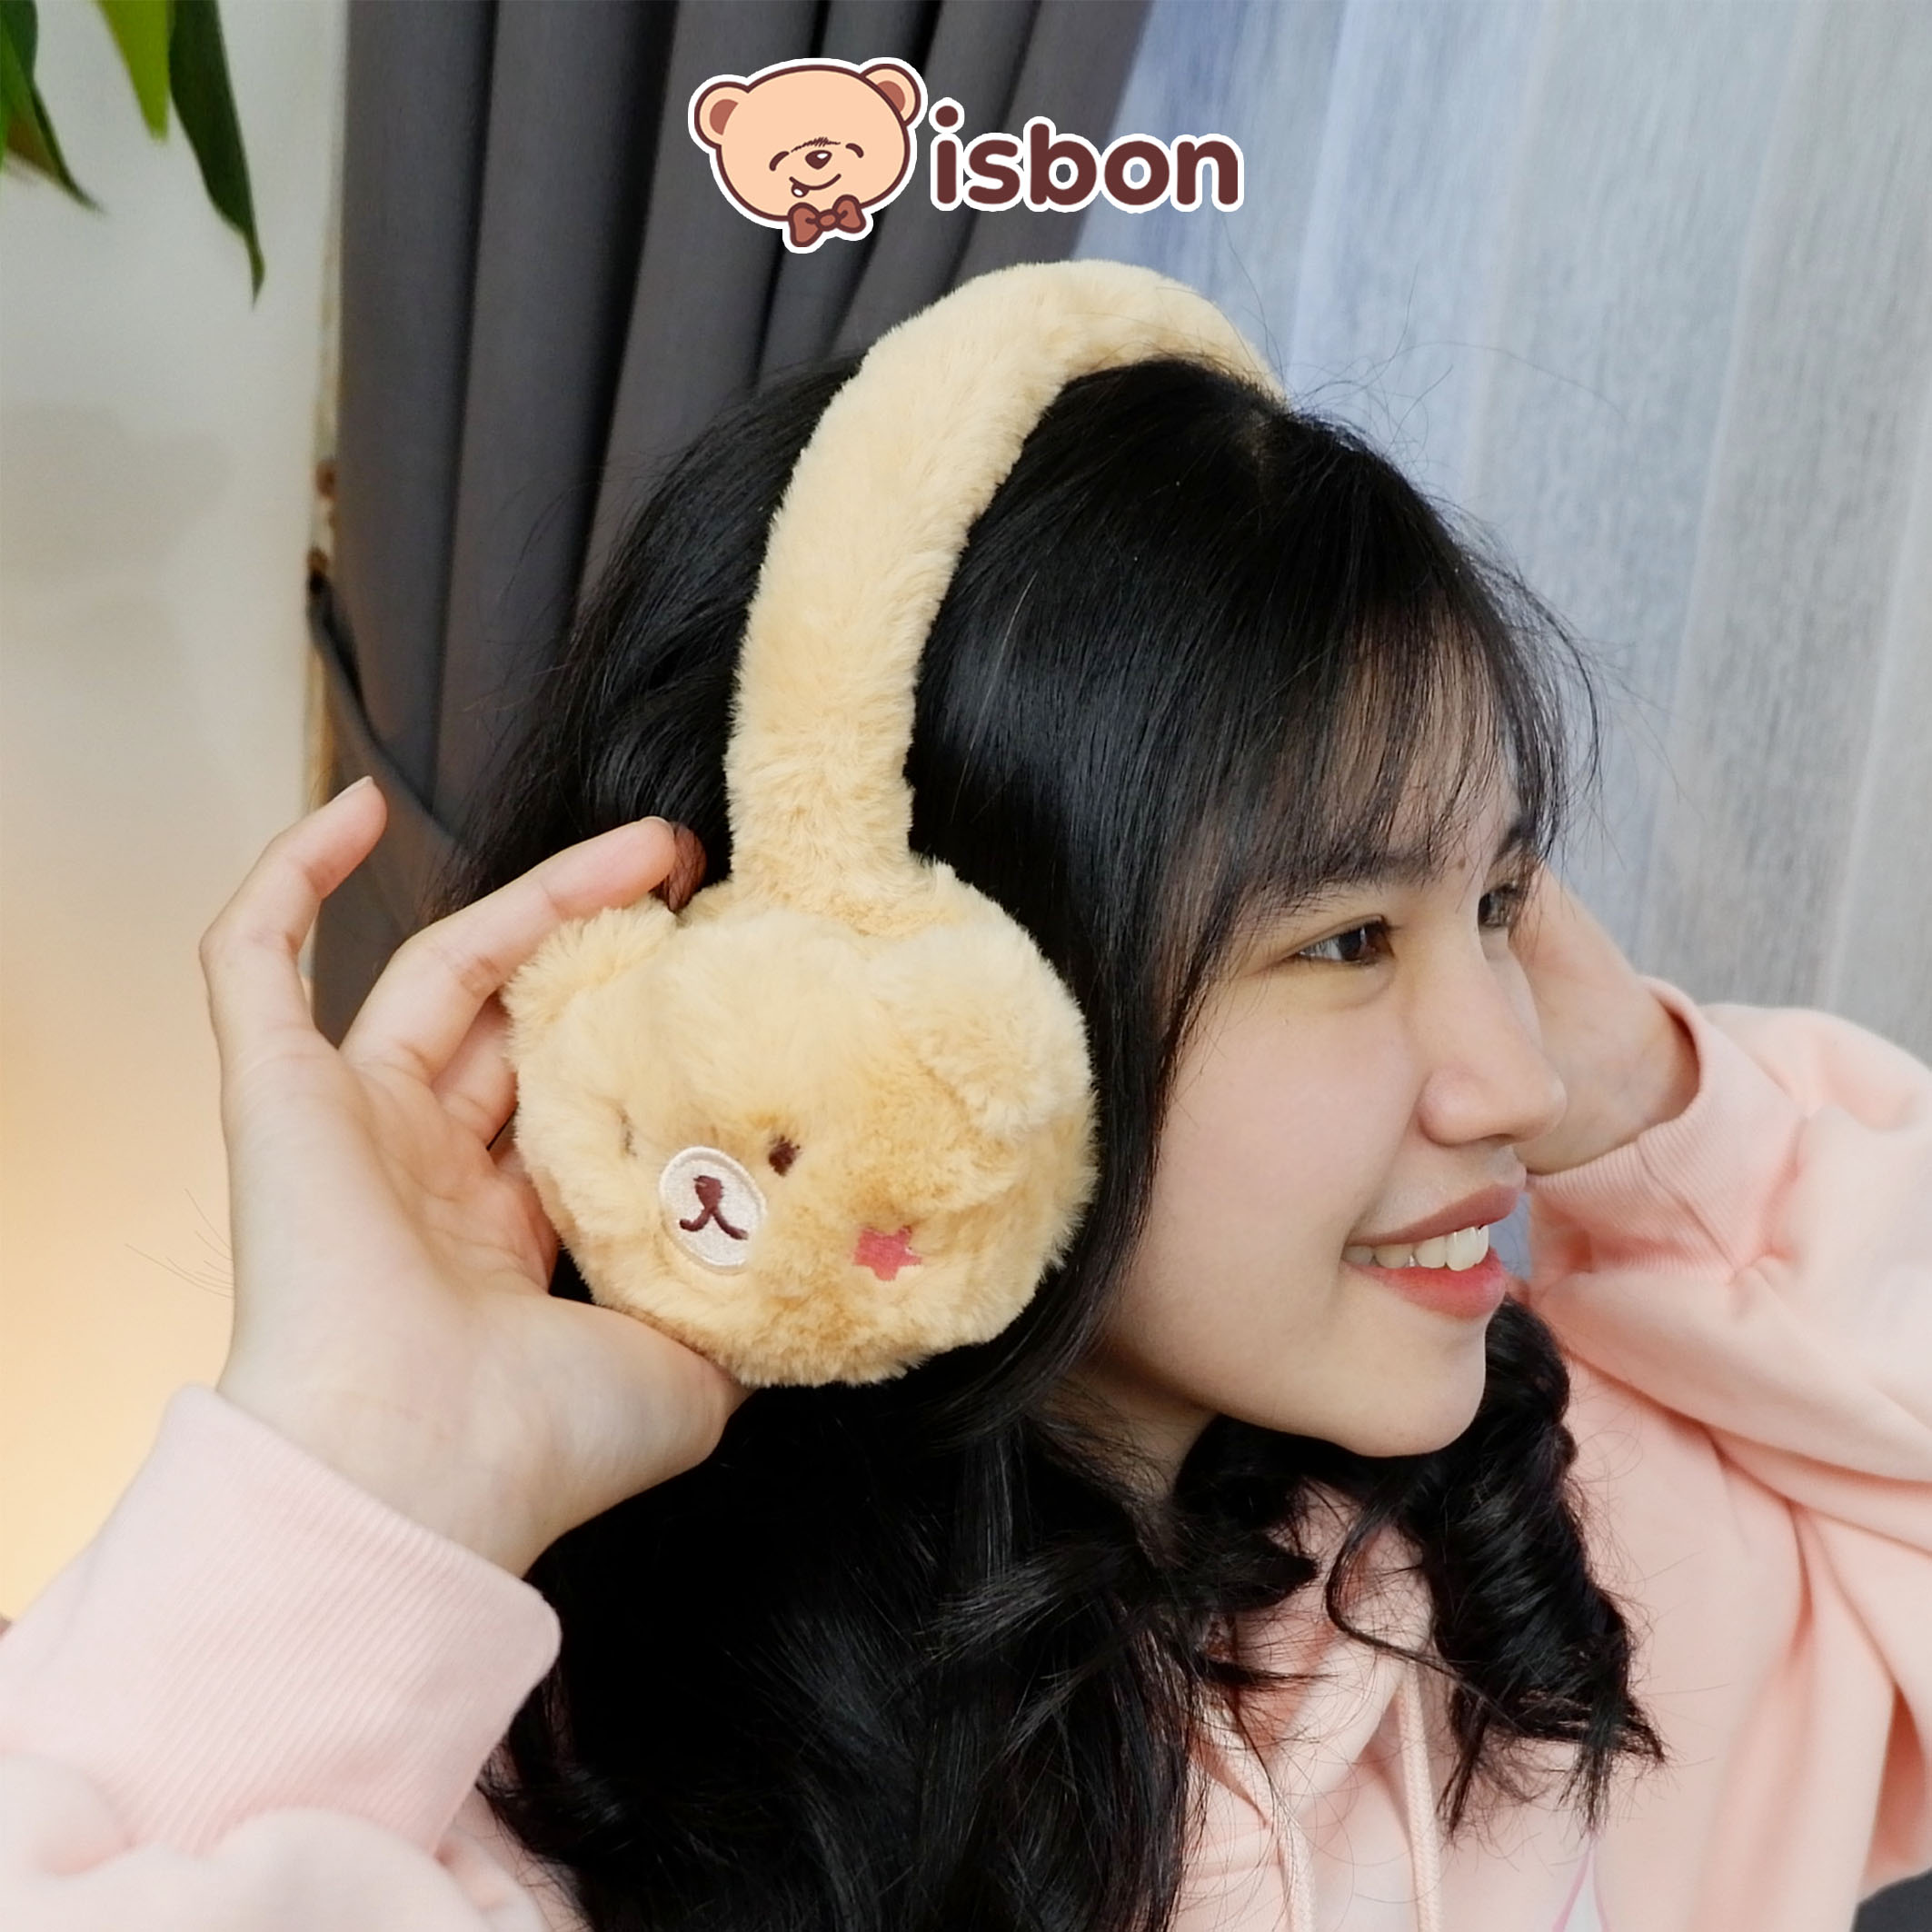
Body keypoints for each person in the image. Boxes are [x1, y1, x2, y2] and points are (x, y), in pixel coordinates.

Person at [1, 333, 1928, 1932]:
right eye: (1346, 937)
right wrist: (378, 1454)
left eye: (1497, 902)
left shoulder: (1567, 1611)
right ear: (914, 1027)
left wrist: (1657, 1107)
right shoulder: (536, 1812)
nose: (1509, 1074)